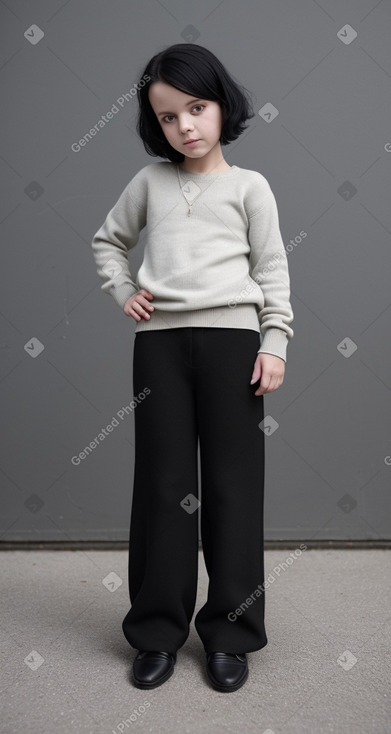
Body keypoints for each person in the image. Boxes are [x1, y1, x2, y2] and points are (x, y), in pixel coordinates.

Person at [91, 42, 294, 693]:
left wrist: (275, 342)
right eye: (168, 116)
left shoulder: (248, 188)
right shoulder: (149, 183)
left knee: (234, 491)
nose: (185, 126)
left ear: (220, 105)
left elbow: (272, 272)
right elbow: (108, 241)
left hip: (234, 346)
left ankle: (230, 637)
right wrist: (123, 289)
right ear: (156, 125)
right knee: (163, 488)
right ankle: (155, 631)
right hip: (161, 347)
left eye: (196, 108)